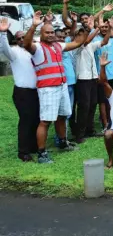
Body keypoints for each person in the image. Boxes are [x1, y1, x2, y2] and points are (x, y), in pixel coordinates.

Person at [23, 11, 86, 163]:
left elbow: (77, 43)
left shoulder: (58, 45)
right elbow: (26, 44)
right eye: (47, 33)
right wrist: (33, 26)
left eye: (52, 32)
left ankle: (63, 142)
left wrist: (87, 28)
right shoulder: (37, 48)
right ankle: (42, 153)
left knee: (62, 116)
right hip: (48, 89)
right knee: (45, 121)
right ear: (41, 34)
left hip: (62, 86)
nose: (51, 35)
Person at [0, 18, 39, 162]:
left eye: (24, 37)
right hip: (23, 92)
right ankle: (23, 151)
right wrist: (3, 33)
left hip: (37, 91)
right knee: (26, 120)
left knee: (37, 119)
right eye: (19, 38)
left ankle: (34, 146)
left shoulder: (34, 50)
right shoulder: (15, 52)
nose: (22, 39)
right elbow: (4, 48)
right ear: (16, 41)